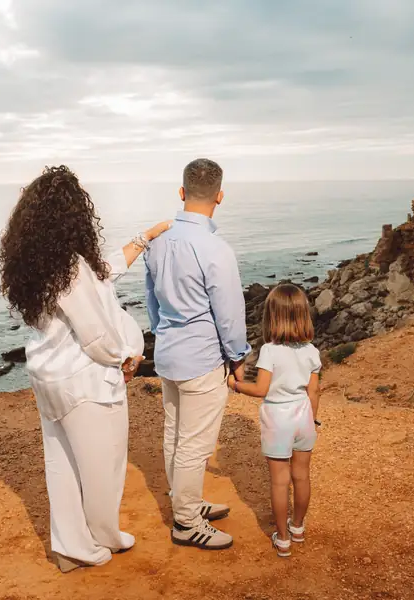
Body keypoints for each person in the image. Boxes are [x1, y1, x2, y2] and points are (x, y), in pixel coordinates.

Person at [0, 165, 171, 573]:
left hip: (49, 378)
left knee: (61, 464)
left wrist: (143, 239)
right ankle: (104, 538)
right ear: (75, 215)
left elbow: (102, 274)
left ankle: (70, 547)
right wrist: (126, 357)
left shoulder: (39, 265)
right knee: (103, 466)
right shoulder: (70, 268)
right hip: (84, 381)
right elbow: (94, 334)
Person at [144, 158, 251, 550]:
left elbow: (152, 303)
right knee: (194, 444)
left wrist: (161, 336)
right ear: (220, 197)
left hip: (169, 355)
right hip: (202, 359)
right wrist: (238, 357)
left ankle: (184, 503)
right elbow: (229, 313)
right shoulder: (215, 248)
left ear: (182, 192)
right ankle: (186, 523)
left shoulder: (157, 242)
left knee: (175, 435)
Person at [226, 283, 322, 558]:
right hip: (304, 417)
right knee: (302, 477)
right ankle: (299, 528)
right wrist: (312, 421)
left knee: (280, 481)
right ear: (303, 314)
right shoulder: (311, 351)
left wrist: (234, 384)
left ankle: (282, 539)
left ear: (271, 316)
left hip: (278, 419)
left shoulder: (269, 350)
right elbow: (313, 391)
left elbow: (261, 390)